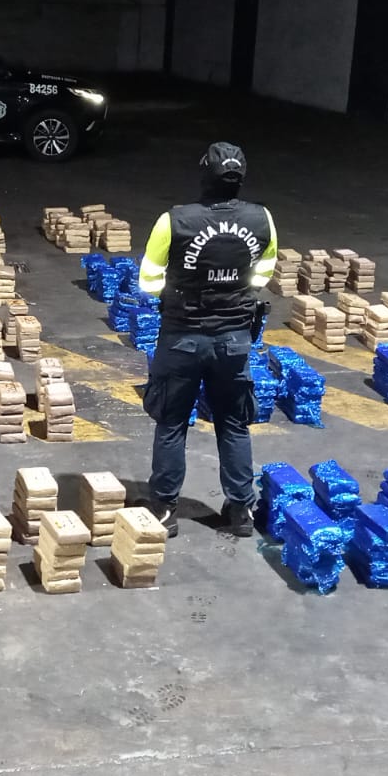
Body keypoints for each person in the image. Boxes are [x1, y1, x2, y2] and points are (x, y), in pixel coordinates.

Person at [138, 142, 278, 538]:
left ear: (205, 175)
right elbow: (265, 269)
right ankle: (241, 510)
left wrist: (179, 292)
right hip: (234, 340)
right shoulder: (262, 218)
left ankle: (165, 509)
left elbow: (148, 281)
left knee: (172, 423)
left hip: (182, 338)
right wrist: (236, 292)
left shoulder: (174, 221)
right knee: (233, 423)